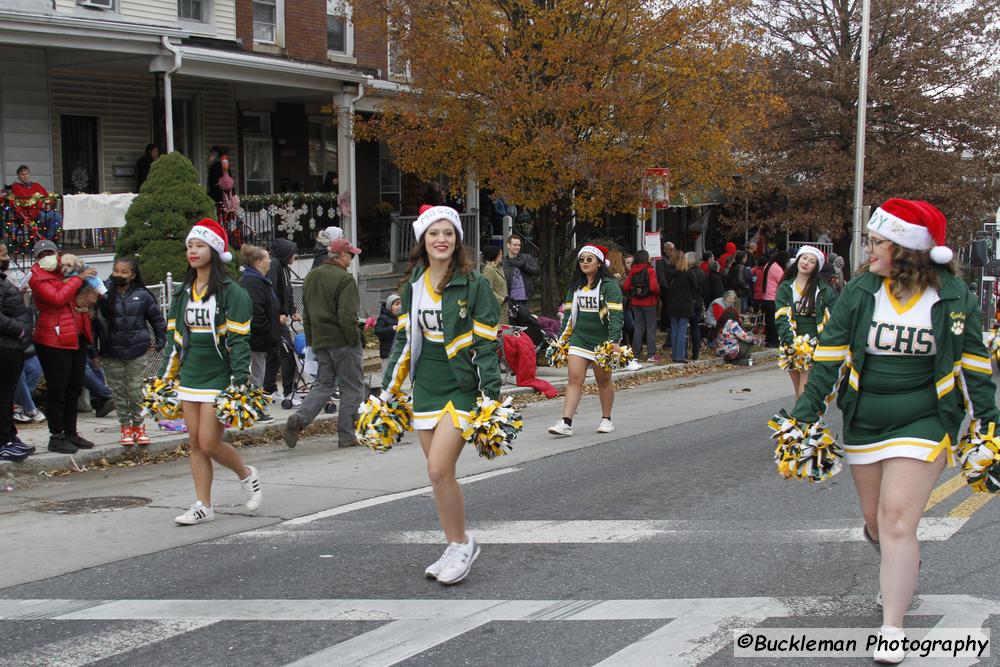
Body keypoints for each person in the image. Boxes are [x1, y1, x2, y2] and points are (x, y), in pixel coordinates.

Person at [784, 199, 998, 663]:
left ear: (907, 249)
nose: (870, 249)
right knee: (878, 523)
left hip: (924, 419)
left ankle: (892, 629)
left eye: (878, 241)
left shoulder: (954, 295)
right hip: (865, 419)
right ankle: (899, 560)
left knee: (899, 519)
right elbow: (829, 356)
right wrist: (804, 416)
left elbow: (975, 366)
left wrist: (987, 423)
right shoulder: (861, 289)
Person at [380, 205, 502, 585]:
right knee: (440, 475)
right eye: (434, 233)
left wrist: (490, 396)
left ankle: (463, 544)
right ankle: (455, 543)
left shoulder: (474, 283)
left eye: (448, 233)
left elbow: (485, 343)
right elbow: (404, 340)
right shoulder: (413, 283)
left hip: (461, 384)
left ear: (457, 240)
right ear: (423, 240)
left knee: (437, 466)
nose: (442, 239)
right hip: (426, 384)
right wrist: (389, 389)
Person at [158, 219, 262, 525]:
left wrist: (239, 381)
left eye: (200, 245)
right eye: (190, 245)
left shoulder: (232, 292)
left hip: (220, 376)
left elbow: (240, 340)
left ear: (214, 251)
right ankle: (203, 504)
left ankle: (247, 475)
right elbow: (174, 338)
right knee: (194, 442)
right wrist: (166, 375)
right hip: (190, 374)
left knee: (209, 442)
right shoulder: (183, 291)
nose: (193, 251)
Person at [284, 237, 365, 450]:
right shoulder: (345, 279)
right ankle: (347, 435)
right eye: (351, 256)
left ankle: (299, 419)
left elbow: (307, 313)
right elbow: (347, 315)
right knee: (352, 387)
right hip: (343, 341)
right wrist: (354, 338)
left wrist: (311, 340)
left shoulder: (311, 276)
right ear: (342, 256)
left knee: (324, 384)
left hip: (320, 340)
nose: (351, 260)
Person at [548, 244, 624, 437]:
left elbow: (616, 315)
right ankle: (566, 422)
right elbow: (568, 315)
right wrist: (562, 340)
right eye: (581, 259)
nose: (584, 263)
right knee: (574, 379)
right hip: (579, 338)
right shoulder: (576, 286)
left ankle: (606, 419)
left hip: (601, 341)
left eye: (589, 259)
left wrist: (614, 340)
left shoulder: (609, 285)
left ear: (599, 263)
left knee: (603, 381)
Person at [29, 239, 96, 454]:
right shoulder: (38, 278)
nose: (47, 257)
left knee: (74, 387)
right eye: (42, 254)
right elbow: (58, 298)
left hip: (76, 336)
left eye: (51, 252)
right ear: (37, 259)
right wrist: (78, 279)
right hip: (53, 340)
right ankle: (55, 436)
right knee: (58, 388)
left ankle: (71, 432)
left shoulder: (65, 272)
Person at [96, 257, 166, 446]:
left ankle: (138, 426)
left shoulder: (143, 295)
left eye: (124, 272)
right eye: (116, 270)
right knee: (118, 392)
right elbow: (95, 323)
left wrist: (160, 341)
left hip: (137, 349)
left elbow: (157, 319)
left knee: (135, 391)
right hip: (111, 350)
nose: (118, 274)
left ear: (133, 275)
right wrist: (93, 350)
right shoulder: (103, 295)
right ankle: (125, 427)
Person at [775, 245, 836, 399]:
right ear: (797, 260)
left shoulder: (823, 290)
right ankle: (800, 422)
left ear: (817, 267)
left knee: (805, 389)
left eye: (812, 261)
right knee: (798, 391)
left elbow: (835, 316)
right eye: (804, 258)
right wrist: (791, 341)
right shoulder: (786, 287)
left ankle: (804, 421)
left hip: (815, 342)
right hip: (791, 343)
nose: (806, 262)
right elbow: (781, 316)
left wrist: (825, 341)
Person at [239, 244, 280, 424]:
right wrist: (267, 330)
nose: (270, 261)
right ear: (257, 262)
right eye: (266, 258)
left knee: (258, 374)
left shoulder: (259, 279)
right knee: (256, 375)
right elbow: (256, 312)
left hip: (262, 336)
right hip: (257, 338)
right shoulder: (253, 282)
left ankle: (256, 407)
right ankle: (255, 409)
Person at [0, 242, 33, 461]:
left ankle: (10, 436)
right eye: (2, 254)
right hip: (6, 345)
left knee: (7, 396)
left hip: (12, 347)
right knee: (3, 396)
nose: (7, 257)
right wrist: (20, 331)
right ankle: (4, 441)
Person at [265, 238, 301, 408]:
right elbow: (270, 291)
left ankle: (269, 389)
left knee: (275, 353)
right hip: (275, 318)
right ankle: (289, 391)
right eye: (292, 252)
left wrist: (292, 310)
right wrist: (279, 313)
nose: (295, 256)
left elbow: (288, 292)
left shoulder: (285, 268)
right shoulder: (274, 265)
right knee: (288, 352)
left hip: (279, 317)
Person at [623, 250, 660, 362]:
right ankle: (651, 354)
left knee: (638, 328)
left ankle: (636, 354)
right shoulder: (650, 271)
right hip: (649, 302)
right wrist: (658, 295)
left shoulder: (632, 271)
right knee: (651, 328)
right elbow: (654, 287)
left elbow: (625, 287)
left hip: (636, 302)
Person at [664, 251, 697, 363]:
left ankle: (675, 354)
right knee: (682, 330)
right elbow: (694, 287)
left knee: (674, 329)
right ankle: (680, 355)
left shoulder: (669, 272)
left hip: (672, 303)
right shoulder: (688, 273)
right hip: (685, 304)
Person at [503, 234, 539, 312]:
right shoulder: (504, 262)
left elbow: (536, 271)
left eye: (519, 245)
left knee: (523, 322)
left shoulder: (526, 258)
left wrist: (524, 266)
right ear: (508, 245)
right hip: (511, 299)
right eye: (515, 245)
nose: (517, 247)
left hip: (525, 297)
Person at [761, 251, 788, 347]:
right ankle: (774, 340)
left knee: (769, 321)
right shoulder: (776, 268)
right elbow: (783, 281)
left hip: (766, 297)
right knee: (773, 321)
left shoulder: (768, 265)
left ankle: (769, 339)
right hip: (773, 297)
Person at [481, 245, 509, 325]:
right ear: (495, 256)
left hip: (502, 308)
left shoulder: (498, 268)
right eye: (500, 254)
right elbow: (486, 289)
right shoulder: (488, 269)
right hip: (495, 308)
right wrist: (501, 299)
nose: (502, 256)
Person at [374, 293, 401, 374]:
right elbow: (378, 332)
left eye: (401, 304)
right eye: (397, 304)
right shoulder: (382, 318)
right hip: (387, 352)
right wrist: (391, 329)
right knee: (387, 374)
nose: (400, 306)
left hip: (398, 352)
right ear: (390, 306)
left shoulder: (401, 317)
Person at [687, 251, 706, 360]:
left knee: (686, 326)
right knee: (695, 327)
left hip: (689, 301)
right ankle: (696, 352)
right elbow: (705, 289)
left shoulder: (688, 273)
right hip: (698, 301)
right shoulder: (702, 273)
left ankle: (684, 352)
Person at [655, 241, 675, 336]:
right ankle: (664, 325)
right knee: (666, 306)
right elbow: (660, 274)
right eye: (670, 249)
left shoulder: (671, 259)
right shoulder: (661, 260)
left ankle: (666, 324)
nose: (672, 251)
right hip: (665, 286)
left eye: (673, 249)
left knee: (668, 306)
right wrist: (666, 286)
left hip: (670, 285)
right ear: (666, 250)